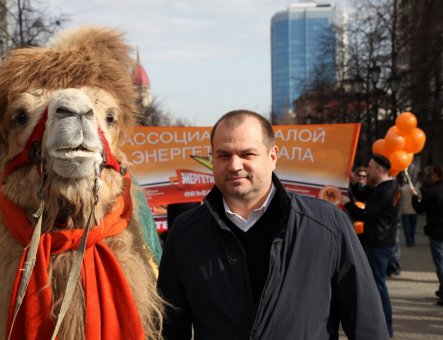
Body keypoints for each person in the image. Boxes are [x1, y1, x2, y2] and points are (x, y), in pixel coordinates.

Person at [157, 110, 388, 339]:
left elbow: (366, 323)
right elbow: (169, 328)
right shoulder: (185, 232)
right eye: (224, 155)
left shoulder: (327, 225)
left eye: (247, 154)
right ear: (212, 159)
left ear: (272, 156)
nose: (235, 165)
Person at [342, 154, 401, 337]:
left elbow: (366, 214)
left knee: (378, 286)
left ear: (380, 170)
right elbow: (365, 193)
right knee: (376, 284)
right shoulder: (385, 186)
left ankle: (386, 328)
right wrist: (353, 184)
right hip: (380, 242)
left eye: (371, 167)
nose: (367, 170)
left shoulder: (386, 190)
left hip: (378, 244)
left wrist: (348, 205)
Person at [411, 165, 443, 307]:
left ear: (435, 176)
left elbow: (419, 209)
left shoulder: (432, 192)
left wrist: (415, 197)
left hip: (436, 233)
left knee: (441, 264)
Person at [400, 174, 420, 247]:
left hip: (405, 211)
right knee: (412, 227)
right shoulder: (416, 188)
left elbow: (399, 200)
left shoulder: (402, 189)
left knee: (407, 227)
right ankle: (412, 240)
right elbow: (420, 198)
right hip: (414, 211)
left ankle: (409, 241)